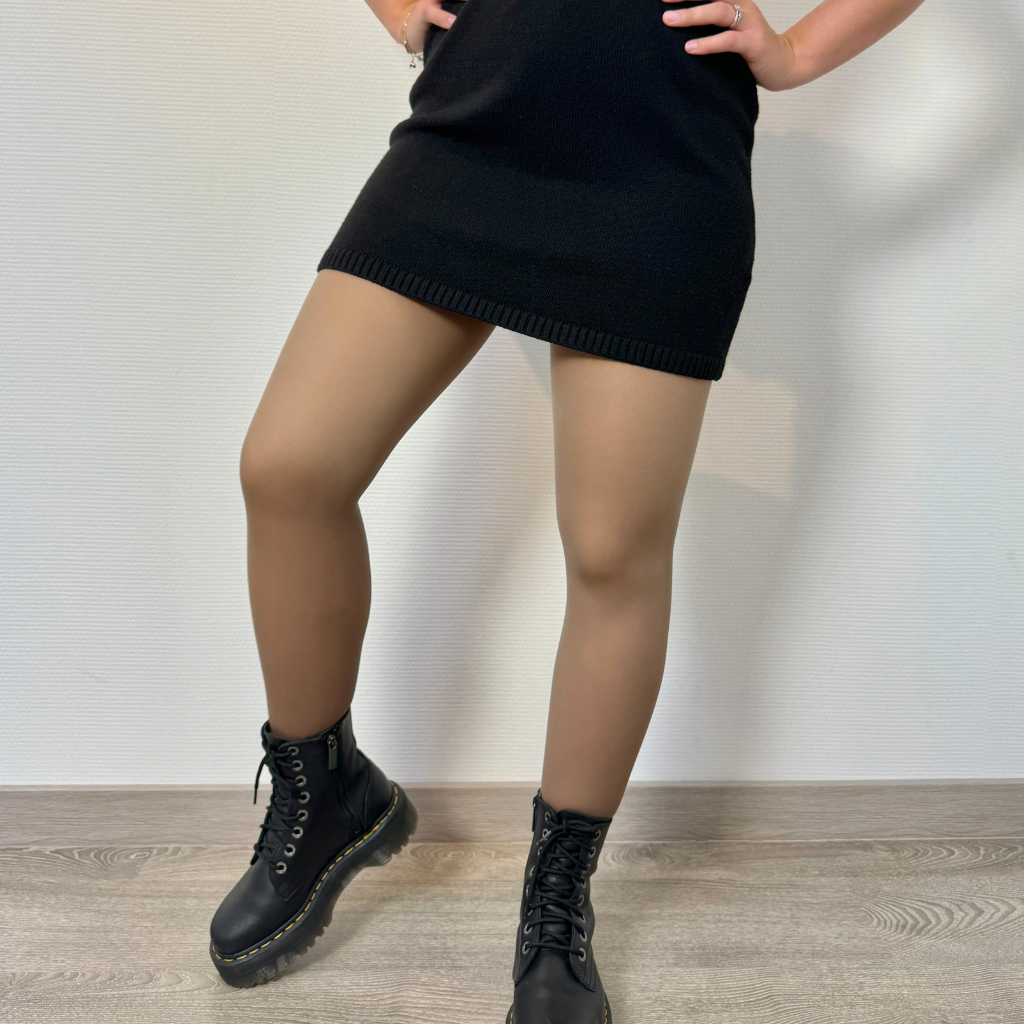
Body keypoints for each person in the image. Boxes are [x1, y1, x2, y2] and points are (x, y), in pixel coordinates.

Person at [207, 0, 927, 1018]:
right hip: (470, 127)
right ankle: (324, 794)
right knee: (289, 469)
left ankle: (556, 899)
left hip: (664, 163)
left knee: (611, 553)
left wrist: (800, 50)